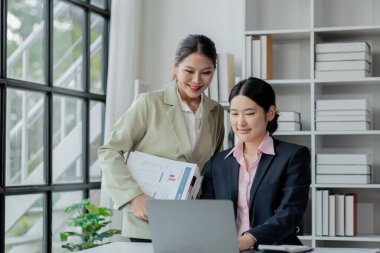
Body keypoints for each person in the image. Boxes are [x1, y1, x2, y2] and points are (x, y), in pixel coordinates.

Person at [97, 34, 225, 242]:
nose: (197, 80)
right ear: (175, 66)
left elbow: (213, 168)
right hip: (149, 221)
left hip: (193, 223)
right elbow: (109, 151)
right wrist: (133, 197)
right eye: (189, 71)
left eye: (206, 72)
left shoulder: (216, 111)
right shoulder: (149, 103)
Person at [201, 77, 311, 251]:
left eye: (249, 113)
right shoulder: (218, 163)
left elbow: (290, 213)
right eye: (234, 113)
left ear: (270, 113)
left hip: (274, 249)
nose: (240, 122)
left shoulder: (293, 156)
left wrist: (249, 239)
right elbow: (207, 213)